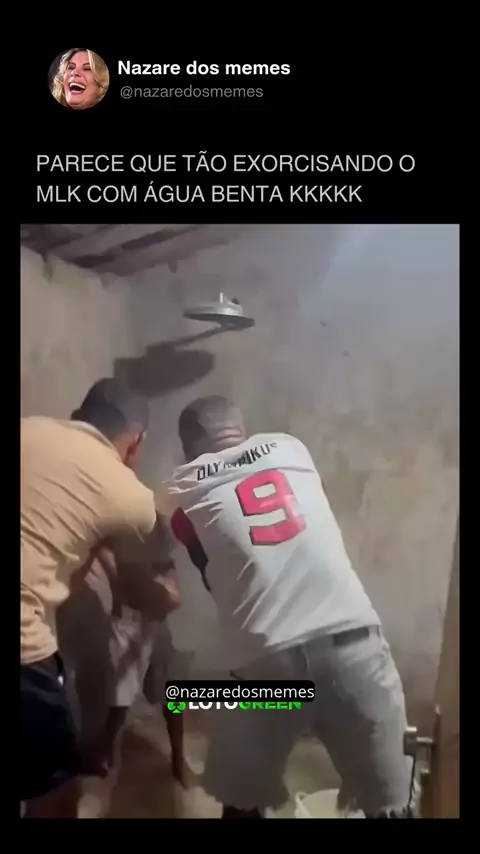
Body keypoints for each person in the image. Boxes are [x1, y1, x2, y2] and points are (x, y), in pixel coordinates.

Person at [166, 395, 413, 819]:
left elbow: (214, 578)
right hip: (355, 644)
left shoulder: (185, 497)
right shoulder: (293, 451)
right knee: (393, 805)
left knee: (242, 804)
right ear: (240, 430)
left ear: (189, 448)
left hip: (267, 661)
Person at [21, 378, 180, 818]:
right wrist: (166, 596)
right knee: (55, 791)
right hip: (24, 644)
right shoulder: (128, 495)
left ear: (79, 417)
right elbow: (138, 591)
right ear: (137, 441)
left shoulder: (29, 427)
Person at [57, 547, 188, 789]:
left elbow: (166, 569)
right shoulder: (113, 536)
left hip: (155, 618)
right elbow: (110, 564)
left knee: (172, 692)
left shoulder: (154, 531)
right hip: (127, 619)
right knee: (119, 700)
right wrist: (119, 579)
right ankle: (108, 758)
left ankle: (179, 760)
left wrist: (163, 589)